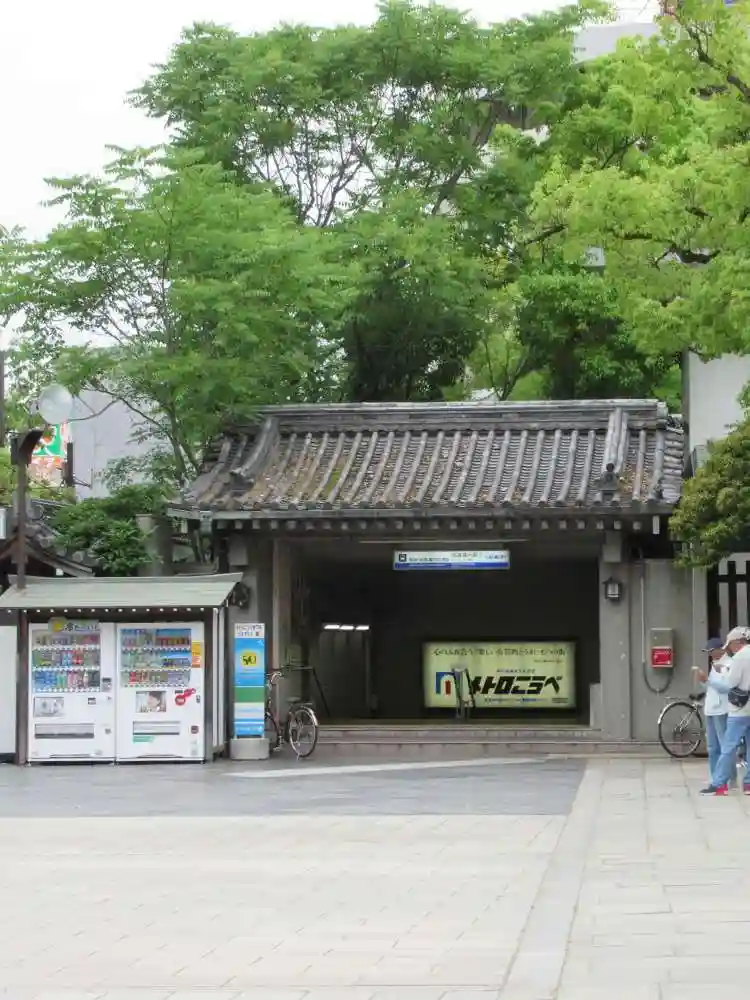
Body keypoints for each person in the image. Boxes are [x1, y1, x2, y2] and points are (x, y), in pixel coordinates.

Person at [695, 625, 750, 795]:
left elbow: (728, 685)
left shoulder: (739, 658)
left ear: (737, 642)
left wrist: (707, 680)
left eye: (730, 644)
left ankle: (720, 784)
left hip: (739, 710)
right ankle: (748, 783)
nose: (730, 648)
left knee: (727, 747)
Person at [694, 637, 731, 794]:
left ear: (721, 649)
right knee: (712, 747)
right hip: (711, 709)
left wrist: (708, 680)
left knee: (724, 746)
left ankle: (723, 781)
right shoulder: (714, 664)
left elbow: (727, 687)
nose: (710, 654)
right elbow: (711, 688)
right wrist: (703, 681)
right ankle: (716, 778)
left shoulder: (728, 664)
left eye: (712, 651)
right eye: (708, 652)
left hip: (721, 709)